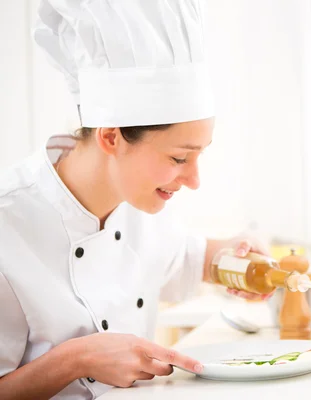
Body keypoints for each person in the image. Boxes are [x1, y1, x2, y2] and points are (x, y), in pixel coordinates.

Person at [0, 1, 269, 399]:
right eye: (179, 158)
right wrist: (75, 359)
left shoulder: (140, 204)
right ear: (111, 137)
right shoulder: (10, 224)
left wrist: (233, 256)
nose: (194, 180)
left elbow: (190, 258)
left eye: (199, 154)